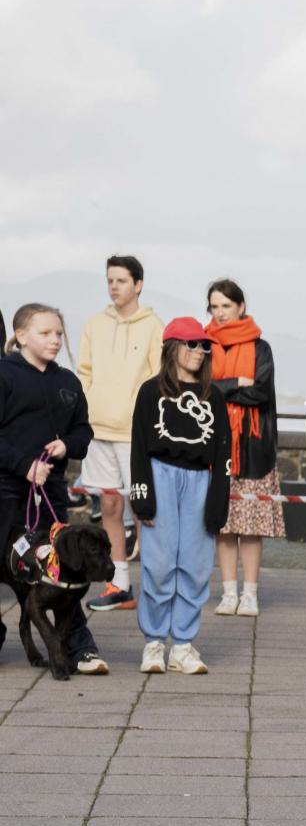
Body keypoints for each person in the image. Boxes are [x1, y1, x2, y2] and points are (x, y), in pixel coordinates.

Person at [0, 304, 105, 673]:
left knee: (63, 570)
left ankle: (79, 648)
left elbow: (83, 432)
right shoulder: (4, 374)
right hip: (6, 491)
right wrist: (24, 466)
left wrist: (67, 446)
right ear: (21, 335)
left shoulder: (68, 382)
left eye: (58, 333)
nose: (55, 340)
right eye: (45, 333)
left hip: (51, 492)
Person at [127, 319, 230, 677]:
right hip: (159, 475)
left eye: (205, 346)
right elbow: (138, 448)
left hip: (200, 481)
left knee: (196, 565)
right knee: (158, 565)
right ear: (172, 347)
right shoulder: (149, 391)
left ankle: (183, 645)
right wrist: (142, 498)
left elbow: (224, 452)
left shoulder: (213, 397)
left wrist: (219, 502)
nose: (200, 351)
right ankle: (154, 643)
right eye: (192, 344)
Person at [75, 255, 163, 613]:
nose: (114, 286)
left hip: (135, 434)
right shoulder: (94, 324)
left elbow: (160, 380)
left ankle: (154, 586)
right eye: (110, 280)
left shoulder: (155, 325)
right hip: (99, 431)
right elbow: (84, 372)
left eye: (121, 281)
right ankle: (120, 584)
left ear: (138, 284)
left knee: (144, 510)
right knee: (109, 505)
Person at [203, 280, 279, 618]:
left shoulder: (260, 348)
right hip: (215, 444)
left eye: (225, 306)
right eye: (214, 307)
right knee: (224, 523)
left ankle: (250, 593)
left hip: (253, 444)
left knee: (250, 524)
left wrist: (223, 390)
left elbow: (262, 393)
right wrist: (236, 383)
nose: (219, 313)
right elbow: (202, 390)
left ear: (241, 306)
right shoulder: (202, 345)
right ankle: (228, 592)